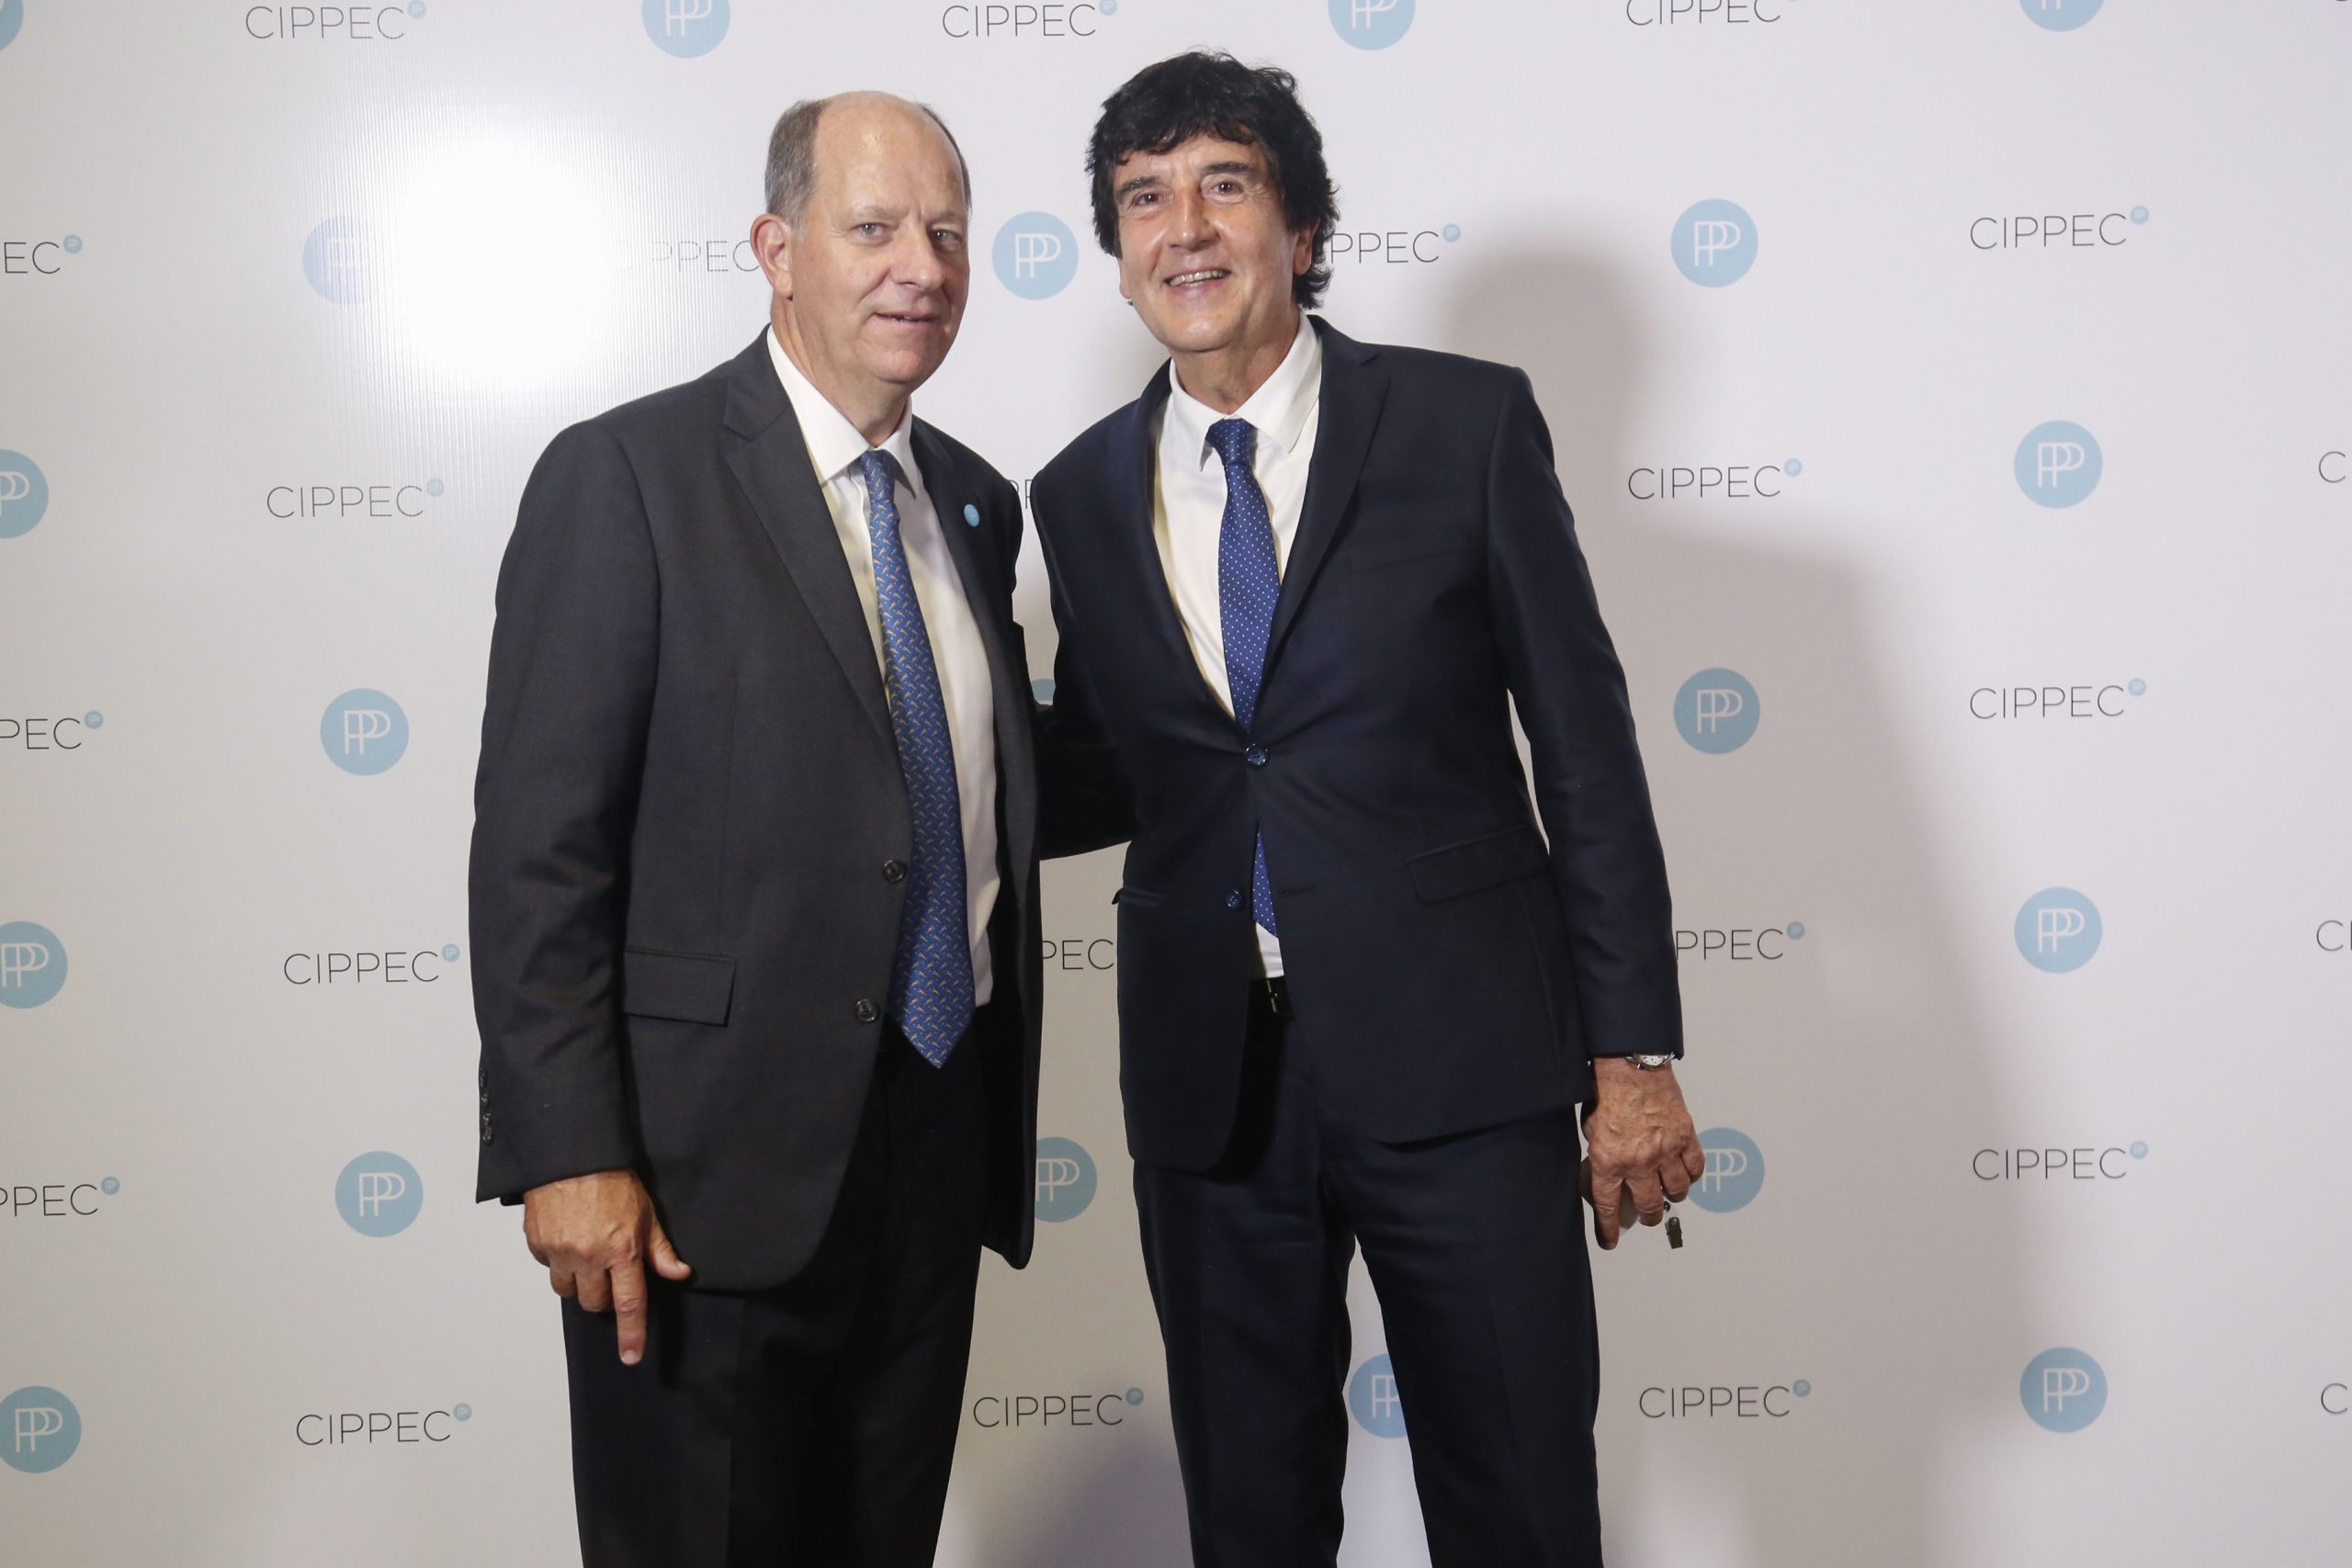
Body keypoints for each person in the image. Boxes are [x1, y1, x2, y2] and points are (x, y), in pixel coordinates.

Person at [1031, 52, 1705, 1566]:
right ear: (1118, 253)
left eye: (1225, 185)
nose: (1185, 229)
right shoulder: (1073, 495)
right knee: (1251, 1522)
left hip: (1464, 1065)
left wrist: (1632, 1055)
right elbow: (1119, 764)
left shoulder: (1467, 427)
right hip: (1214, 1095)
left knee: (1520, 1505)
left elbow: (1586, 754)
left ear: (1304, 229)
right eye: (1144, 199)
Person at [469, 92, 1045, 1567]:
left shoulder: (975, 504)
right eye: (874, 228)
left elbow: (958, 786)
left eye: (947, 233)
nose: (922, 266)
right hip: (695, 1182)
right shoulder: (627, 476)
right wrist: (566, 1150)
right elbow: (540, 849)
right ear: (777, 250)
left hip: (934, 1146)